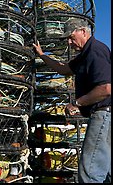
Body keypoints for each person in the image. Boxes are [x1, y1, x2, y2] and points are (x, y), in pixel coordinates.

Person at [33, 18, 111, 183]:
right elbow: (64, 68)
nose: (69, 42)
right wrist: (42, 55)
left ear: (83, 31)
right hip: (106, 116)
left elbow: (106, 89)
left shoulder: (95, 51)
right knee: (106, 170)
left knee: (90, 172)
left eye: (71, 37)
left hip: (103, 115)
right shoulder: (85, 55)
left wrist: (77, 103)